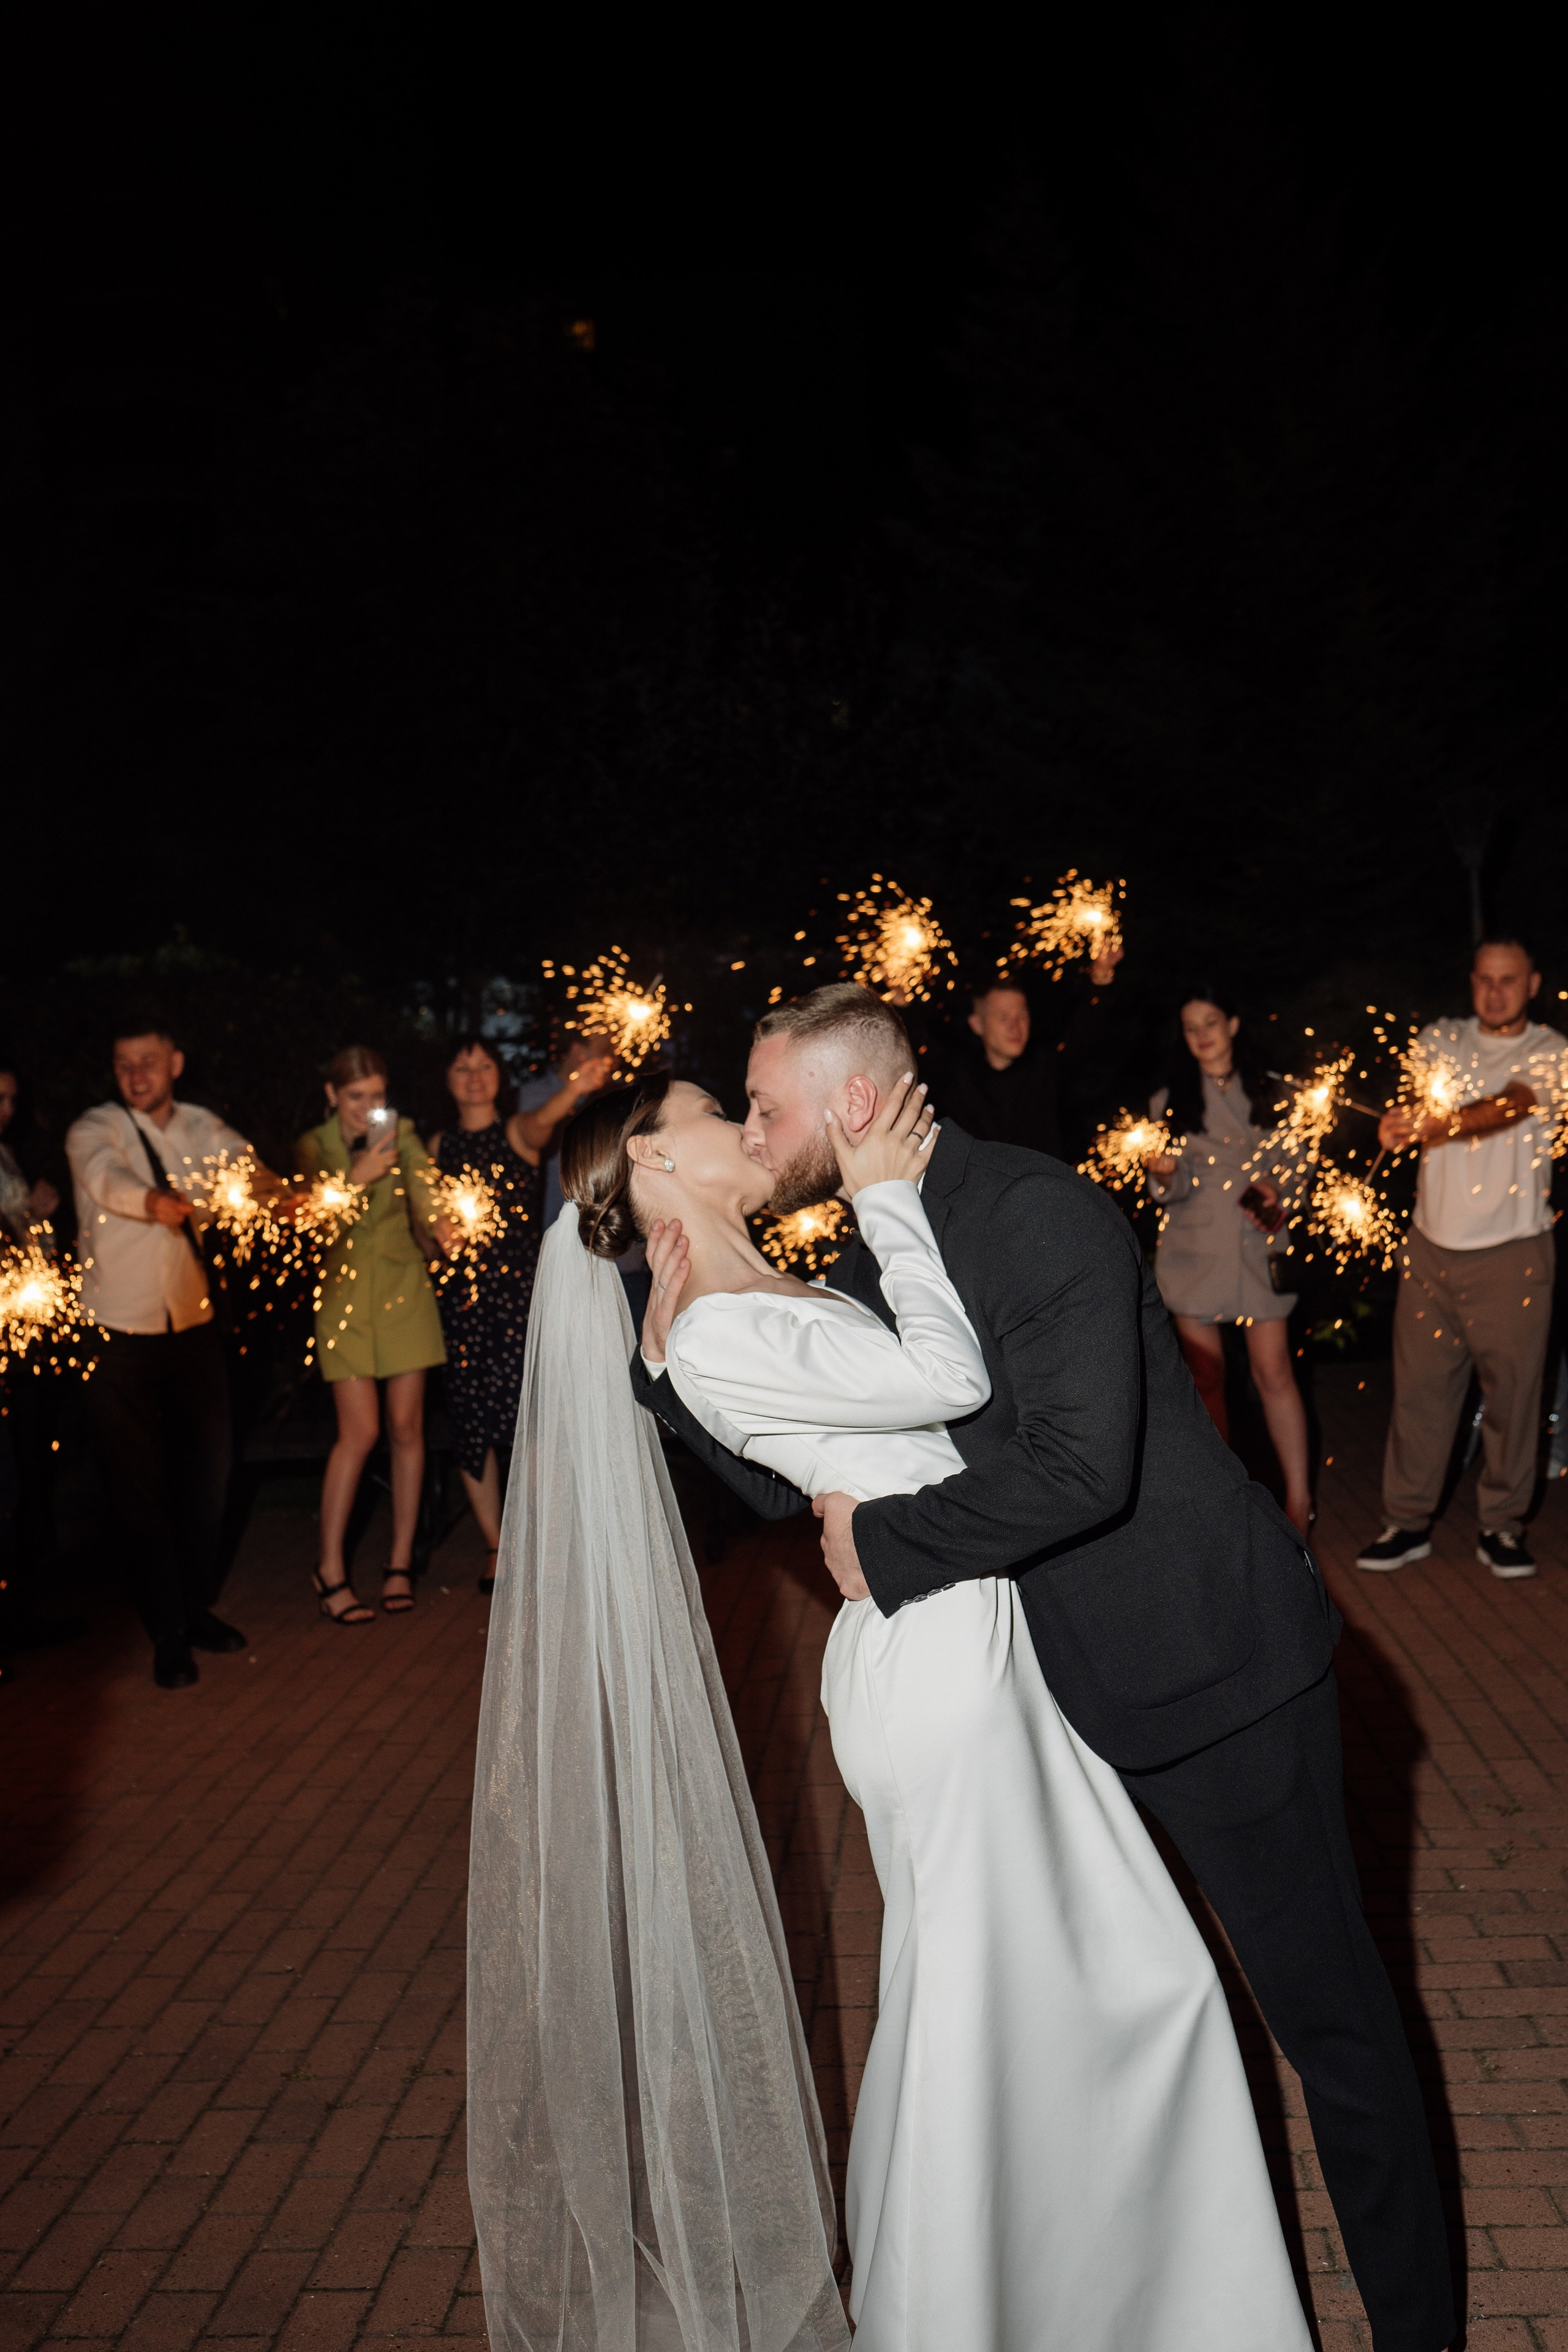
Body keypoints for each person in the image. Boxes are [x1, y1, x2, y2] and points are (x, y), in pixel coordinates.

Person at [637, 983, 1455, 2352]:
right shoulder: (860, 1251)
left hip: (1211, 1677)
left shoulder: (1032, 1211)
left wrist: (886, 1548)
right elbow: (799, 1475)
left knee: (1332, 2032)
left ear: (850, 1104)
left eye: (766, 1106)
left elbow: (1080, 1468)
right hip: (1041, 1700)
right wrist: (664, 1365)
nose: (754, 1129)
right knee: (1119, 2011)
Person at [467, 1096, 850, 2352]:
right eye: (702, 1109)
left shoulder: (692, 1315)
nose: (737, 1118)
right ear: (642, 1157)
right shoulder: (709, 1319)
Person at [66, 1022, 285, 1688]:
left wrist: (285, 1196)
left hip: (192, 1324)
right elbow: (105, 1178)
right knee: (138, 1488)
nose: (136, 1074)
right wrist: (154, 1201)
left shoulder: (200, 1126)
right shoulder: (93, 1127)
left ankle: (194, 1608)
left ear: (176, 1064)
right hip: (114, 1331)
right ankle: (166, 1632)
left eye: (149, 1062)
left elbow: (247, 1169)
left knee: (208, 1476)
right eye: (123, 1063)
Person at [1357, 935, 1565, 1581]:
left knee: (1513, 1399)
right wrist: (1395, 1125)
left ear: (1531, 983)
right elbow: (1421, 1107)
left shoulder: (1551, 1051)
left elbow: (1509, 1106)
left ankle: (1502, 1526)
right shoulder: (1438, 1040)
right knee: (1419, 1394)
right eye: (1484, 979)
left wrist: (1432, 1125)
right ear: (1470, 980)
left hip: (1511, 1254)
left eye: (1509, 980)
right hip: (1429, 1249)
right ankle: (1406, 1521)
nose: (1495, 992)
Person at [1144, 987, 1312, 1534]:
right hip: (1195, 1252)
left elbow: (1302, 1166)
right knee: (1206, 1378)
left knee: (1274, 1372)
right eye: (1192, 1027)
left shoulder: (1279, 1093)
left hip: (1256, 1249)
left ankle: (1299, 1498)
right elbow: (1168, 1185)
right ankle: (1224, 1501)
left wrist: (1279, 1187)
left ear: (1234, 1024)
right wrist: (1165, 1175)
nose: (1203, 1036)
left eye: (1211, 1022)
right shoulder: (1170, 1100)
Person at [296, 1047, 448, 1624]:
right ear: (333, 1095)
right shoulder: (314, 1146)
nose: (368, 1108)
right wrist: (354, 1179)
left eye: (376, 1095)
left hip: (405, 1289)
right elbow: (308, 1218)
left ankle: (400, 1562)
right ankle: (330, 1567)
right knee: (357, 1434)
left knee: (407, 1429)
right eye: (356, 1096)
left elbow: (424, 1183)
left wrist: (441, 1220)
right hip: (342, 1300)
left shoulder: (400, 1132)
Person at [426, 1036, 543, 1591]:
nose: (474, 1075)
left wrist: (580, 1085)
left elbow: (547, 1120)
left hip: (519, 1301)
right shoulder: (436, 1146)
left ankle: (540, 1538)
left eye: (485, 1064)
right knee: (472, 1425)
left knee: (529, 1423)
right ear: (446, 1079)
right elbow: (422, 1232)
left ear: (501, 1075)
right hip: (462, 1309)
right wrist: (435, 1240)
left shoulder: (518, 1132)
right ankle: (497, 1545)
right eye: (461, 1065)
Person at [929, 944, 1121, 1161]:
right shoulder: (956, 1080)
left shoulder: (1044, 1069)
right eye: (1003, 1018)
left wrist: (1102, 976)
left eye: (1021, 1016)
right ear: (977, 1024)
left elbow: (1084, 1034)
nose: (1015, 1027)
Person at [513, 1029, 617, 1227]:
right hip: (548, 1226)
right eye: (605, 1050)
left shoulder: (612, 1098)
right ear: (579, 1052)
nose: (612, 1059)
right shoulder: (531, 1096)